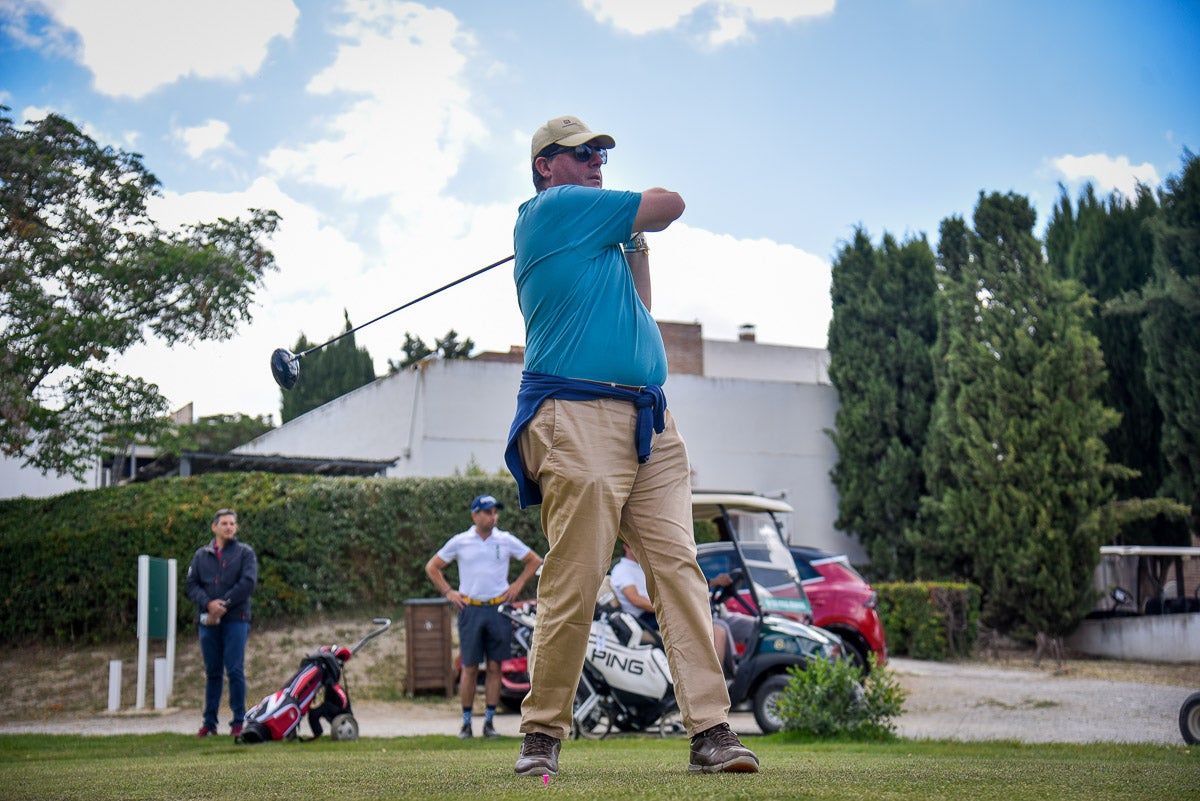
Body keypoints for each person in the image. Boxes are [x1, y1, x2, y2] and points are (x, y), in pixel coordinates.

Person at [503, 115, 759, 776]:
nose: (596, 162)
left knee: (678, 567)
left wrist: (634, 242)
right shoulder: (555, 209)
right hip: (573, 414)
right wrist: (640, 218)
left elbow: (643, 308)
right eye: (582, 153)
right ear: (545, 167)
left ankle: (711, 731)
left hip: (651, 423)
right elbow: (669, 204)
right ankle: (542, 733)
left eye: (601, 156)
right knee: (578, 574)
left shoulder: (599, 242)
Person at [425, 494, 542, 739]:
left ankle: (490, 722)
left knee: (495, 666)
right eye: (488, 512)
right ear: (475, 515)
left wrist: (516, 586)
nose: (493, 516)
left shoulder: (505, 539)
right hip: (471, 608)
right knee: (468, 667)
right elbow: (432, 566)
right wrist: (449, 592)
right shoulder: (461, 541)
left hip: (498, 609)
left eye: (495, 512)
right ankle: (466, 723)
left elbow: (534, 561)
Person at [185, 508, 258, 738]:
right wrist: (208, 604)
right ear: (214, 527)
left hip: (236, 620)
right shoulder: (200, 556)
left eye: (232, 524)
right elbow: (192, 585)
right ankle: (209, 723)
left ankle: (238, 722)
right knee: (213, 672)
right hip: (208, 622)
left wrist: (223, 604)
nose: (229, 527)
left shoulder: (245, 553)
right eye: (225, 523)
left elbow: (247, 583)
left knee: (235, 670)